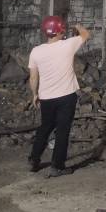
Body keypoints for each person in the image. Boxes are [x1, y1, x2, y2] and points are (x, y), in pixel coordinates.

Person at [28, 17, 90, 178]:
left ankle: (33, 159)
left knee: (45, 127)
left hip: (46, 97)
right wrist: (76, 24)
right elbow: (85, 34)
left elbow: (33, 77)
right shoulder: (67, 45)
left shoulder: (36, 51)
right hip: (66, 97)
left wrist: (35, 94)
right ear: (61, 30)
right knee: (62, 131)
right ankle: (57, 166)